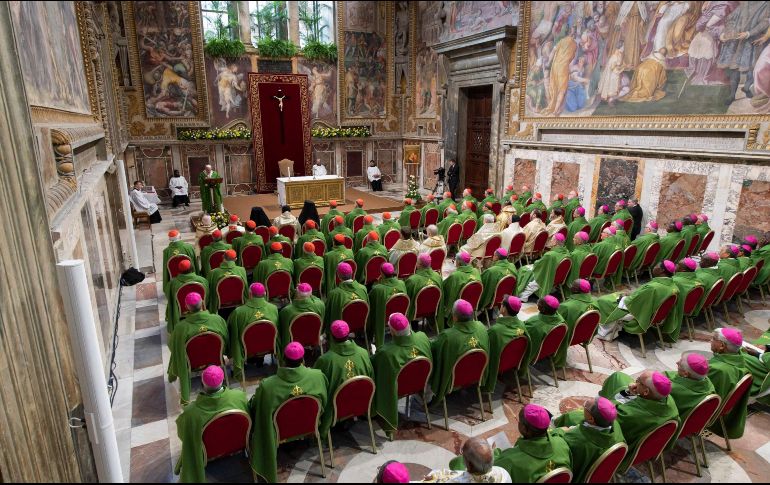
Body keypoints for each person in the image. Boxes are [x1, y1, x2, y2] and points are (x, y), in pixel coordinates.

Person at [248, 342, 328, 482]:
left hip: (280, 433)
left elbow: (256, 409)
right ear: (303, 360)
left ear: (283, 360)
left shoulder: (268, 386)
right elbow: (325, 403)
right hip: (309, 426)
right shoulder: (318, 376)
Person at [175, 366, 249, 483]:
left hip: (208, 453)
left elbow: (183, 435)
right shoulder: (240, 397)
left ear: (202, 383)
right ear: (223, 379)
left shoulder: (191, 413)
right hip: (238, 444)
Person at [598, 370, 679, 468]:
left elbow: (610, 411)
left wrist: (629, 394)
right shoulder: (669, 401)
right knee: (618, 376)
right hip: (647, 442)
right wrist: (638, 390)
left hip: (621, 445)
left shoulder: (629, 415)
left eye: (638, 381)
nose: (634, 383)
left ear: (646, 392)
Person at [372, 313, 432, 434]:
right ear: (409, 326)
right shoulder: (423, 338)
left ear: (392, 332)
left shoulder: (386, 352)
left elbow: (373, 367)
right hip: (419, 384)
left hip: (397, 390)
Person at [168, 293, 229, 405]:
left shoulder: (180, 328)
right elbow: (226, 340)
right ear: (203, 303)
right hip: (216, 359)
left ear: (186, 307)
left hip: (192, 363)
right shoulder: (218, 320)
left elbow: (173, 347)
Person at [314, 320, 373, 436]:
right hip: (362, 403)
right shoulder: (364, 353)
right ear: (348, 333)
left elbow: (317, 386)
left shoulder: (325, 360)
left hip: (335, 409)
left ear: (331, 336)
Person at [597, 260, 680, 342]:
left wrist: (622, 298)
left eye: (656, 266)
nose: (654, 267)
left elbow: (632, 303)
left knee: (603, 301)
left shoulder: (653, 288)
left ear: (662, 270)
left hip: (639, 314)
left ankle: (606, 333)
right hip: (654, 316)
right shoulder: (674, 287)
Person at [430, 300, 490, 406]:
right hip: (475, 376)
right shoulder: (481, 327)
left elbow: (434, 352)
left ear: (454, 317)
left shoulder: (448, 336)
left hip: (451, 381)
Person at [552, 397, 624, 484]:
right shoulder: (616, 426)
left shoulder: (576, 439)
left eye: (585, 406)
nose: (583, 407)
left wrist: (560, 431)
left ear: (591, 419)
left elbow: (559, 446)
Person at [494, 405, 572, 482]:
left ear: (524, 429)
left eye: (519, 421)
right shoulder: (561, 443)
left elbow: (493, 468)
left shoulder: (510, 460)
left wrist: (494, 451)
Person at [227, 283, 279, 381]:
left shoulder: (238, 312)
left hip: (247, 349)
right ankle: (260, 360)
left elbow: (231, 334)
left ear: (250, 294)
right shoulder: (274, 309)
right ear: (264, 293)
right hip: (270, 346)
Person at [708, 328, 751, 440]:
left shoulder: (719, 370)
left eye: (714, 339)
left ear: (722, 346)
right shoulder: (738, 358)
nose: (710, 340)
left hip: (706, 411)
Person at [482, 296, 529, 394]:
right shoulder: (521, 325)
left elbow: (486, 349)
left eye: (502, 304)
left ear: (504, 309)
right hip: (512, 362)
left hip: (497, 366)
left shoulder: (495, 331)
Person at [425, 437, 512, 483]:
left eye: (463, 455)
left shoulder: (456, 480)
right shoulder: (503, 473)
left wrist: (433, 479)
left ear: (469, 465)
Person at [517, 233, 570, 300]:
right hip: (557, 277)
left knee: (523, 269)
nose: (550, 241)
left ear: (555, 242)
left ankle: (523, 294)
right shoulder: (567, 252)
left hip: (547, 275)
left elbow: (538, 265)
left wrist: (535, 262)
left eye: (552, 240)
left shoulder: (550, 255)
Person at [277, 283, 325, 356]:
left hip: (294, 343)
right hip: (314, 339)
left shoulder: (286, 311)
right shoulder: (320, 305)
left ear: (297, 294)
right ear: (311, 294)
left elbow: (283, 332)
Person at [368, 263, 408, 348]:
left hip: (383, 319)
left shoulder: (378, 289)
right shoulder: (402, 283)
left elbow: (370, 304)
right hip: (400, 316)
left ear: (382, 273)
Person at [665, 352, 715, 419]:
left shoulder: (673, 389)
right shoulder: (707, 382)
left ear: (685, 374)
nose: (677, 362)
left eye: (680, 364)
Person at [165, 259, 209, 334]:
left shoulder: (172, 284)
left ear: (179, 270)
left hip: (179, 311)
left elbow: (169, 297)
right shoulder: (203, 280)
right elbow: (207, 296)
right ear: (192, 268)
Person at [522, 296, 567, 365]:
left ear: (542, 309)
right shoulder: (561, 320)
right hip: (548, 351)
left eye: (539, 303)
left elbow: (524, 339)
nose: (537, 304)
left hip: (534, 354)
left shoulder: (534, 324)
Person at [405, 253, 444, 330]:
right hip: (433, 310)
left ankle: (414, 328)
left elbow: (406, 300)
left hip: (415, 312)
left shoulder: (412, 280)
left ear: (418, 265)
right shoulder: (438, 277)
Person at [325, 262, 368, 329]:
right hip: (360, 325)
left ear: (338, 275)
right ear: (352, 272)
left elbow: (327, 316)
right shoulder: (363, 289)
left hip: (342, 328)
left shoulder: (333, 294)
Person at [441, 252, 481, 323]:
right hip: (473, 305)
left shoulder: (455, 276)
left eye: (455, 259)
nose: (455, 261)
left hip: (459, 308)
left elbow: (445, 289)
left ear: (458, 262)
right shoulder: (476, 271)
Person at [206, 249, 248, 316]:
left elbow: (209, 290)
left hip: (219, 302)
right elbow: (245, 288)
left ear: (223, 257)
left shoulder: (213, 273)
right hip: (237, 300)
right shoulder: (242, 270)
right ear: (235, 259)